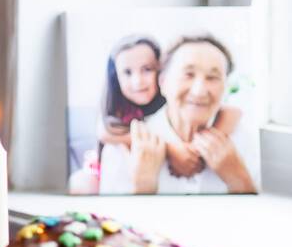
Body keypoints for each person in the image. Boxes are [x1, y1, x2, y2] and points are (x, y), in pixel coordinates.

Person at [100, 35, 256, 194]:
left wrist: (239, 179)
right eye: (188, 74)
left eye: (213, 77)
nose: (199, 91)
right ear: (163, 82)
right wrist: (143, 186)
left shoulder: (244, 140)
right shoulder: (123, 147)